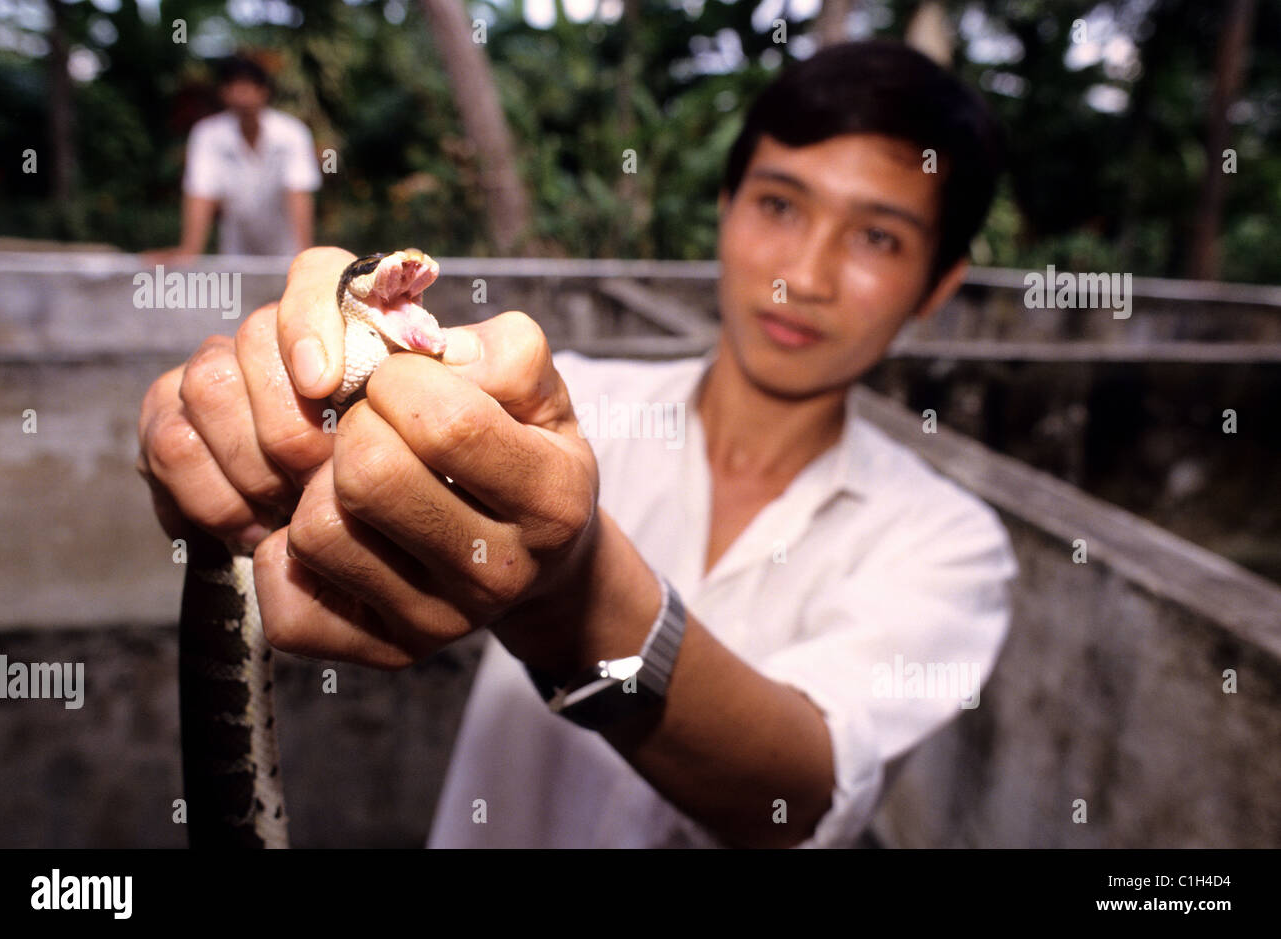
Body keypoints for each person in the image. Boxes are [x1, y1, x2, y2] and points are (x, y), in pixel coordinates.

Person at [137, 40, 1016, 848]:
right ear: (725, 208)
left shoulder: (953, 547)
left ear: (938, 286)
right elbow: (278, 468)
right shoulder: (563, 398)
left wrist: (575, 595)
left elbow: (796, 791)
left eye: (876, 237)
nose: (807, 275)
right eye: (781, 205)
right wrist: (225, 434)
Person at [151, 55, 320, 262]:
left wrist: (305, 257)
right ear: (224, 93)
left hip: (286, 252)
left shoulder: (292, 133)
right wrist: (190, 251)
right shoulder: (207, 134)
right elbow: (200, 193)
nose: (242, 95)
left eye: (249, 86)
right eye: (235, 87)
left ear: (264, 91)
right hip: (235, 253)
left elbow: (298, 194)